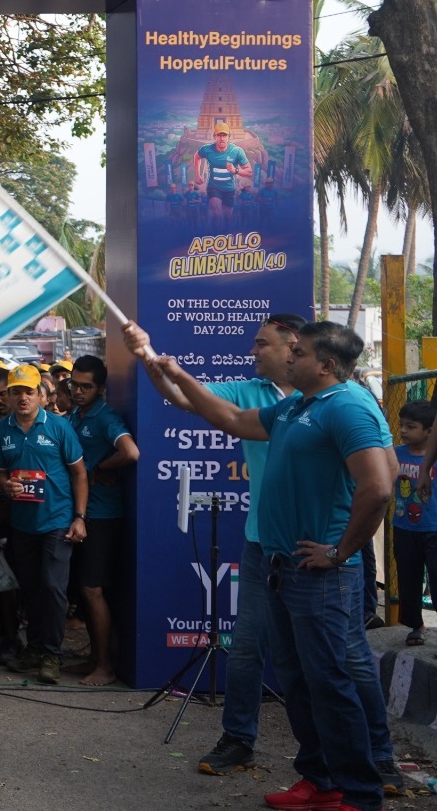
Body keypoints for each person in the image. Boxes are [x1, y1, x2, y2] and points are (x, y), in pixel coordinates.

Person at [129, 321, 392, 811]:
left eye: (301, 351)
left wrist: (339, 552)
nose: (291, 356)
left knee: (330, 682)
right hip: (278, 564)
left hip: (320, 575)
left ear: (327, 364)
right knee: (298, 681)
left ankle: (360, 793)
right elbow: (229, 417)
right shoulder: (296, 406)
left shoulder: (348, 406)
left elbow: (379, 485)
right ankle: (320, 780)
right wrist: (179, 373)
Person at [130, 313, 302, 776]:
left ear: (294, 346)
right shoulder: (248, 391)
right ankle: (238, 740)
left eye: (261, 344)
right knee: (245, 648)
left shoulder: (329, 399)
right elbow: (182, 396)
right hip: (261, 543)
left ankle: (363, 758)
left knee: (321, 655)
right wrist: (147, 356)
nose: (253, 351)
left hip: (316, 550)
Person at [0, 363, 87, 686]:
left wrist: (80, 517)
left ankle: (51, 654)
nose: (22, 398)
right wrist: (6, 486)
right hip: (22, 525)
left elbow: (79, 473)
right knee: (30, 587)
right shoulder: (1, 430)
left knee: (53, 587)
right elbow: (2, 473)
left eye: (28, 392)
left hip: (57, 521)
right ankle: (33, 648)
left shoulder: (59, 428)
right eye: (16, 392)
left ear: (40, 396)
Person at [66, 354, 138, 687]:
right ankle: (96, 656)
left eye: (86, 386)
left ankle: (105, 667)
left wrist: (101, 468)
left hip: (103, 515)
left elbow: (131, 452)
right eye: (74, 385)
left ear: (100, 388)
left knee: (93, 589)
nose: (78, 391)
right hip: (81, 513)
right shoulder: (75, 415)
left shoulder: (105, 417)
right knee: (84, 589)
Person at [398, 401, 437, 647]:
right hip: (404, 528)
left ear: (429, 431)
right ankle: (416, 625)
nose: (402, 430)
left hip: (433, 528)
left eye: (410, 426)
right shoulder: (395, 454)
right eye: (402, 425)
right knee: (408, 579)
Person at [194, 121, 253, 223]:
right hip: (214, 187)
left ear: (228, 136)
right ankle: (215, 236)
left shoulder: (237, 151)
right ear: (215, 136)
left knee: (227, 218)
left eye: (224, 135)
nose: (221, 138)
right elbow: (197, 157)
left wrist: (236, 170)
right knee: (217, 214)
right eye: (219, 135)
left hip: (229, 189)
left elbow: (249, 172)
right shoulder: (207, 149)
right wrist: (198, 175)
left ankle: (225, 235)